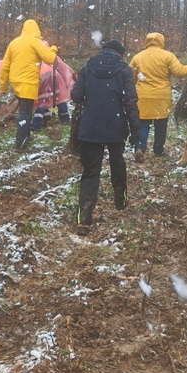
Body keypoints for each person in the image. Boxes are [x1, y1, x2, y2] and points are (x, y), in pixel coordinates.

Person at [69, 40, 141, 236]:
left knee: (91, 172)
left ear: (102, 51)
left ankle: (84, 218)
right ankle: (120, 198)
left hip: (90, 127)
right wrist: (136, 129)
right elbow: (130, 101)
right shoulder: (124, 70)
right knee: (117, 162)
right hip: (115, 128)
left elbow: (75, 96)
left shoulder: (87, 67)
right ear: (121, 54)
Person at [128, 32, 187, 162]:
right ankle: (158, 150)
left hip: (143, 96)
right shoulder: (168, 56)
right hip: (162, 96)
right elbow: (179, 72)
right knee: (161, 124)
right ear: (162, 41)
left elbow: (131, 78)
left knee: (143, 124)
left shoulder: (137, 57)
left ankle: (140, 148)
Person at [0, 19, 58, 150]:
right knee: (25, 112)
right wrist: (53, 49)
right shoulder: (35, 42)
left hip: (16, 82)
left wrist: (3, 86)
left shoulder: (14, 43)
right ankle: (20, 143)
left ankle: (26, 134)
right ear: (36, 29)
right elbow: (50, 59)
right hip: (29, 82)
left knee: (25, 109)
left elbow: (5, 66)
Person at [32, 57, 75, 130]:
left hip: (40, 75)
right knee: (59, 98)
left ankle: (37, 123)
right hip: (54, 75)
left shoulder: (35, 51)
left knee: (43, 99)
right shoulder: (49, 52)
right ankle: (63, 118)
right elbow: (61, 67)